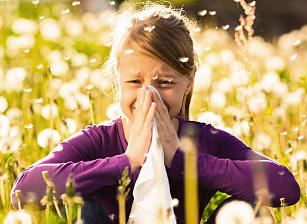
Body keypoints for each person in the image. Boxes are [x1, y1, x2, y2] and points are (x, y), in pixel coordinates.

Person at [11, 2, 300, 224]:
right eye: (135, 82)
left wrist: (183, 160)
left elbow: (285, 186)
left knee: (254, 209)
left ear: (189, 82)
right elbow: (23, 191)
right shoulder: (98, 141)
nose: (150, 96)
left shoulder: (205, 139)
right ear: (117, 79)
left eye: (165, 83)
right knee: (87, 207)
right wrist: (127, 161)